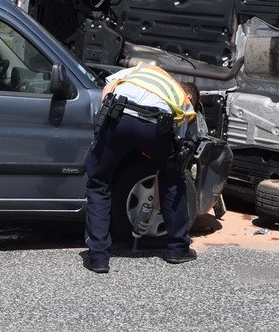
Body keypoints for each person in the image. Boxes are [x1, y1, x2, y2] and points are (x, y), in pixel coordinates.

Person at [83, 62, 200, 274]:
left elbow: (108, 88)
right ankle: (177, 249)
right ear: (190, 97)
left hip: (118, 116)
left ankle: (99, 257)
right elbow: (179, 152)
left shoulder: (143, 68)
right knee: (172, 178)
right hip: (155, 126)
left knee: (99, 182)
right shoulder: (182, 100)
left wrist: (103, 129)